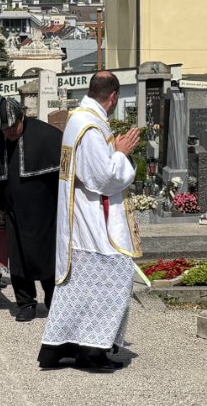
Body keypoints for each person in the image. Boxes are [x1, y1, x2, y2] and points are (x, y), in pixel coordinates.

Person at [38, 71, 141, 371]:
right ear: (113, 97)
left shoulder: (79, 119)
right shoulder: (91, 126)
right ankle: (91, 352)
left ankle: (61, 347)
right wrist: (121, 154)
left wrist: (113, 150)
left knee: (80, 287)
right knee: (115, 275)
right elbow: (104, 178)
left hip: (81, 214)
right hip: (93, 217)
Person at [0, 99, 62, 322]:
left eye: (13, 127)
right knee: (18, 258)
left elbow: (61, 177)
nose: (9, 132)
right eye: (5, 128)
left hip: (45, 210)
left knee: (47, 257)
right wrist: (1, 206)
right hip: (14, 211)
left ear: (22, 118)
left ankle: (54, 301)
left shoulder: (47, 135)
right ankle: (26, 303)